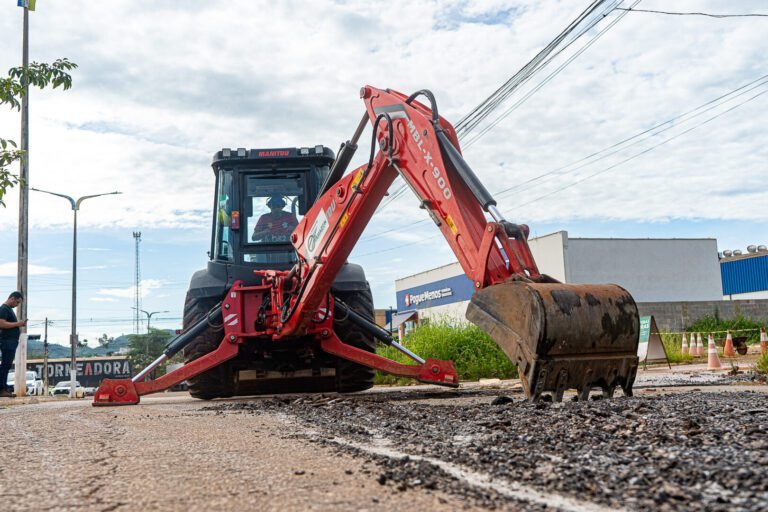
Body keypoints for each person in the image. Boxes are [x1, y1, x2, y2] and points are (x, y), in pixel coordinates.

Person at [0, 291, 26, 398]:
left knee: (6, 365)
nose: (17, 305)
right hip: (7, 341)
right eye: (17, 302)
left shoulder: (8, 309)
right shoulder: (4, 309)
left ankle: (4, 388)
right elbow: (1, 323)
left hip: (10, 341)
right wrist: (18, 324)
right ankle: (1, 389)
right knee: (5, 365)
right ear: (12, 298)